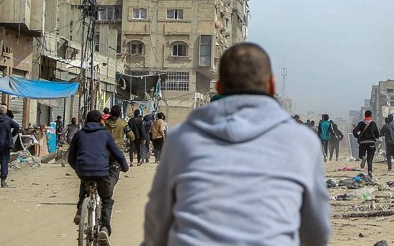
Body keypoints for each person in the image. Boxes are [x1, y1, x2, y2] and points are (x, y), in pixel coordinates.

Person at [140, 42, 331, 246]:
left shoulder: (182, 138)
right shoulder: (302, 141)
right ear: (272, 85)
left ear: (219, 87)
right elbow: (316, 232)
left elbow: (157, 226)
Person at [69, 109, 130, 243]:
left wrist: (78, 169)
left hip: (83, 170)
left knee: (84, 183)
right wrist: (125, 167)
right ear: (101, 121)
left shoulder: (79, 135)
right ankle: (104, 228)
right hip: (101, 172)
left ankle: (80, 209)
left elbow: (70, 158)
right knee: (107, 200)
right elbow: (117, 154)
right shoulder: (105, 134)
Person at [103, 106, 129, 192]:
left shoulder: (104, 123)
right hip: (117, 151)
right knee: (114, 174)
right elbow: (131, 136)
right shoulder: (123, 123)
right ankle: (108, 191)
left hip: (105, 150)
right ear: (120, 113)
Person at [352, 110, 380, 177]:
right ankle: (369, 170)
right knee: (370, 158)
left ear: (365, 115)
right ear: (371, 116)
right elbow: (377, 135)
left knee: (360, 155)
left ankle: (363, 157)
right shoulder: (373, 124)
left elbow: (354, 131)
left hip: (363, 142)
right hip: (371, 142)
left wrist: (358, 137)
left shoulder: (361, 123)